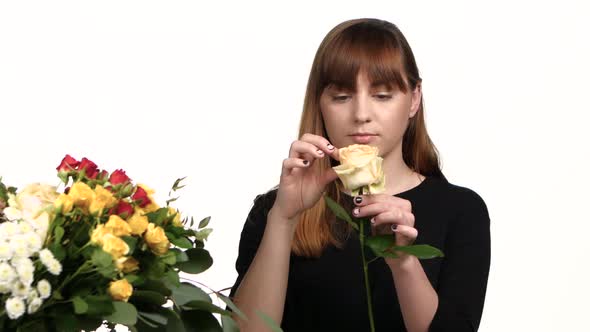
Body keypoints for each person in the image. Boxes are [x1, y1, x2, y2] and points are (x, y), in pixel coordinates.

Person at [228, 18, 491, 332]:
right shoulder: (278, 208)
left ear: (414, 98)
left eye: (382, 96)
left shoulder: (461, 211)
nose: (361, 115)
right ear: (320, 103)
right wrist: (283, 220)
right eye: (341, 97)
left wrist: (404, 260)